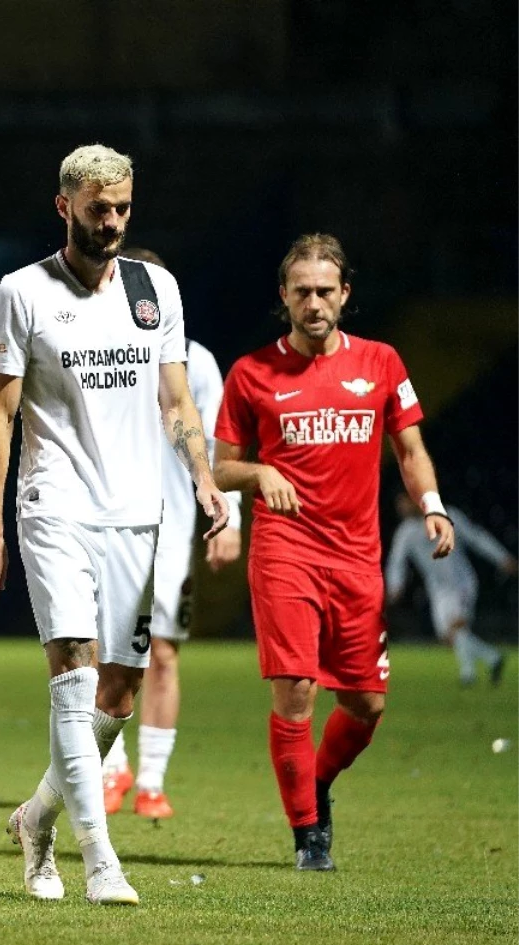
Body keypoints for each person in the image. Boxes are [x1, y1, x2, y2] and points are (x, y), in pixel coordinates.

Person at [0, 145, 229, 905]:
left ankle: (37, 818)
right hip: (54, 506)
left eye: (121, 208)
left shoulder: (156, 291)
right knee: (74, 674)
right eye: (97, 209)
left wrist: (205, 480)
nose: (111, 222)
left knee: (117, 693)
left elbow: (176, 402)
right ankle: (98, 859)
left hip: (136, 513)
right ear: (65, 207)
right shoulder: (22, 292)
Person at [213, 233, 455, 872]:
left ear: (344, 293)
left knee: (365, 705)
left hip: (356, 557)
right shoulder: (251, 373)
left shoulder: (381, 363)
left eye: (325, 290)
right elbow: (218, 469)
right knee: (295, 692)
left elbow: (409, 449)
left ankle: (315, 785)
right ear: (285, 298)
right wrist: (260, 474)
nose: (314, 302)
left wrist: (431, 507)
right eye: (302, 292)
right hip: (284, 552)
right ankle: (308, 835)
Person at [99, 247, 243, 820]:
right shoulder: (93, 353)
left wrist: (227, 514)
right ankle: (111, 771)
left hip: (168, 532)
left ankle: (152, 781)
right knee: (97, 654)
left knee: (161, 654)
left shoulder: (195, 361)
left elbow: (217, 445)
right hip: (101, 526)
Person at [387, 492, 514, 685]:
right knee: (448, 636)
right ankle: (493, 658)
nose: (401, 508)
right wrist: (395, 585)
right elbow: (397, 561)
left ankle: (468, 675)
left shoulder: (447, 516)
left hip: (461, 582)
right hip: (438, 590)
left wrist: (501, 557)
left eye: (404, 502)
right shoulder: (406, 532)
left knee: (458, 626)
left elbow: (476, 537)